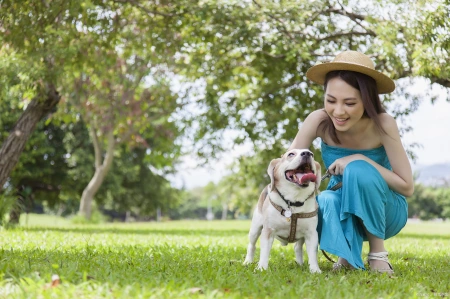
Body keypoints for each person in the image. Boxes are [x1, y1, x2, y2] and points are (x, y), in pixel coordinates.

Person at [288, 50, 413, 274]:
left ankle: (378, 254)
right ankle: (346, 254)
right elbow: (287, 166)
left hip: (386, 211)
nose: (338, 111)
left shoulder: (383, 124)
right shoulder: (319, 121)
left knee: (358, 169)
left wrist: (360, 159)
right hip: (341, 204)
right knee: (325, 198)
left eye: (349, 103)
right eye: (331, 100)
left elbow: (407, 186)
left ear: (367, 100)